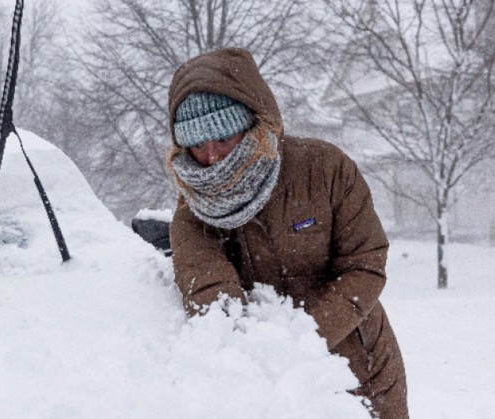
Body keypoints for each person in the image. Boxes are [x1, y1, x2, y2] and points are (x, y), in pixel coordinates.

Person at [166, 48, 408, 418]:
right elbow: (210, 291)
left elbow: (365, 265)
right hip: (271, 386)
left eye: (224, 138)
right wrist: (252, 356)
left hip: (361, 368)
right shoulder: (193, 210)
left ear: (253, 125)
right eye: (198, 145)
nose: (212, 157)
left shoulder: (325, 169)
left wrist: (304, 338)